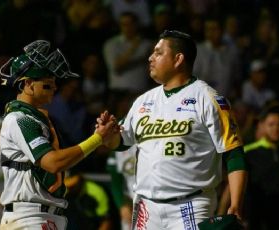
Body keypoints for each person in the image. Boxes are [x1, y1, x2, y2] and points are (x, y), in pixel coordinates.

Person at [98, 30, 248, 229]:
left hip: (190, 204)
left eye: (158, 53)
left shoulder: (209, 98)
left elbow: (234, 154)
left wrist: (236, 203)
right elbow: (122, 142)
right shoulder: (144, 101)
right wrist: (109, 136)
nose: (150, 58)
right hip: (145, 206)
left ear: (178, 59)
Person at [0, 40, 117, 230]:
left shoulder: (37, 118)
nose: (54, 88)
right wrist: (97, 139)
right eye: (47, 84)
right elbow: (53, 163)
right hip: (29, 216)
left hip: (44, 215)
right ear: (28, 84)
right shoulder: (19, 119)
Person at [106, 145, 137, 230]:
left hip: (157, 199)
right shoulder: (117, 151)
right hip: (132, 200)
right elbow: (116, 182)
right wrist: (122, 205)